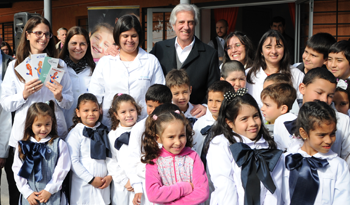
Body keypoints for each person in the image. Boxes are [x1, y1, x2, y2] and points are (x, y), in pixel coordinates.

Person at [0, 17, 73, 202]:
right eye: (38, 33)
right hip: (24, 138)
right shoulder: (14, 66)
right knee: (23, 189)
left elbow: (69, 102)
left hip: (52, 136)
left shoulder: (59, 65)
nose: (43, 37)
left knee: (54, 189)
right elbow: (6, 103)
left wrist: (59, 96)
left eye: (47, 34)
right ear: (27, 35)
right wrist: (23, 94)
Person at [206, 89, 283, 204]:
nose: (253, 123)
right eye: (244, 119)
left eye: (255, 116)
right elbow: (225, 186)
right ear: (229, 122)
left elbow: (274, 187)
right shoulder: (221, 144)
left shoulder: (269, 145)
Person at [89, 14, 165, 128]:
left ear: (139, 36)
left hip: (143, 124)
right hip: (111, 126)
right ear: (118, 37)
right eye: (125, 36)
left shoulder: (151, 61)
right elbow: (95, 94)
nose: (129, 40)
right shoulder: (105, 62)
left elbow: (160, 95)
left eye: (133, 35)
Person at [150, 3, 220, 115]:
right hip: (164, 116)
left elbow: (214, 88)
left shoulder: (209, 53)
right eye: (181, 22)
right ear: (173, 25)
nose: (186, 27)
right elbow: (142, 62)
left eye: (190, 22)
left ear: (195, 24)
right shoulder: (160, 48)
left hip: (195, 116)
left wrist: (205, 105)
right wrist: (116, 49)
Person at [273, 67, 350, 166]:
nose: (324, 100)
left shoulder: (343, 121)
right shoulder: (283, 121)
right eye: (319, 93)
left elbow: (347, 158)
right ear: (302, 88)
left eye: (330, 96)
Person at [282, 101, 350, 204]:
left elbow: (342, 200)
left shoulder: (338, 166)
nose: (328, 140)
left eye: (332, 134)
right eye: (322, 135)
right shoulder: (285, 161)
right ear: (304, 133)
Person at [143, 110, 209, 204]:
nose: (178, 142)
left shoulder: (192, 157)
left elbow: (202, 192)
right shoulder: (154, 160)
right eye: (171, 137)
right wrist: (185, 187)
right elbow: (153, 194)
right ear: (159, 138)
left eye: (181, 135)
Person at [12, 101, 71, 204]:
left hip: (52, 197)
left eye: (47, 124)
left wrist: (49, 190)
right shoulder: (22, 146)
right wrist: (27, 192)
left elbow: (62, 169)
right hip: (30, 198)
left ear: (52, 122)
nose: (43, 129)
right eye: (38, 125)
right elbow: (17, 170)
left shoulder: (59, 145)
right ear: (30, 125)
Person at [125, 84, 172, 205]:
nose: (153, 111)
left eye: (158, 107)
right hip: (145, 187)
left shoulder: (175, 126)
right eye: (150, 106)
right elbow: (133, 160)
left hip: (170, 186)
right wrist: (137, 187)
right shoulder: (139, 128)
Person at [66, 93, 112, 204]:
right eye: (86, 110)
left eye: (94, 110)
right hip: (83, 185)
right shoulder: (75, 134)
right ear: (78, 112)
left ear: (100, 111)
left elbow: (111, 156)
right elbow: (73, 161)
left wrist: (110, 176)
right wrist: (90, 179)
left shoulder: (105, 131)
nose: (90, 114)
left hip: (103, 185)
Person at [246, 29, 304, 108]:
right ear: (261, 51)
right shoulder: (249, 74)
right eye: (268, 47)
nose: (273, 51)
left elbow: (301, 104)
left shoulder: (296, 74)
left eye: (278, 46)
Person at [106, 93, 141, 205]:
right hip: (122, 185)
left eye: (132, 110)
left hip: (140, 181)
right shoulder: (113, 134)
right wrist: (124, 181)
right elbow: (111, 161)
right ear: (116, 115)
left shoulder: (143, 131)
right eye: (123, 112)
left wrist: (137, 179)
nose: (128, 115)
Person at [59, 26, 95, 128]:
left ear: (88, 46)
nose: (78, 48)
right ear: (66, 45)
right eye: (74, 43)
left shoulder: (94, 69)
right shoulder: (58, 67)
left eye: (82, 44)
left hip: (88, 123)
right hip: (64, 122)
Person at [193, 81, 233, 156]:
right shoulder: (199, 123)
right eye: (210, 100)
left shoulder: (232, 124)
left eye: (218, 101)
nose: (213, 105)